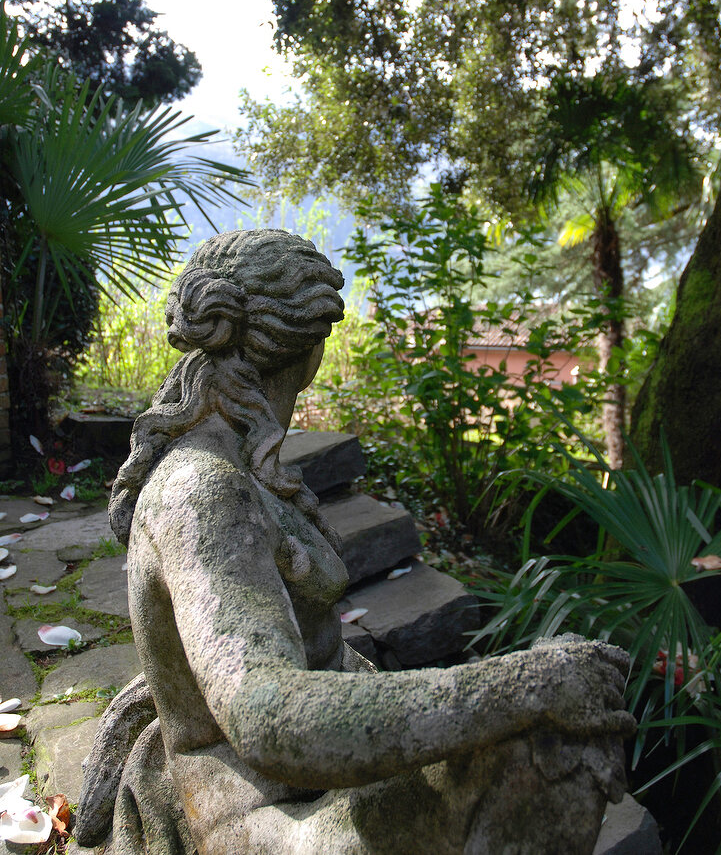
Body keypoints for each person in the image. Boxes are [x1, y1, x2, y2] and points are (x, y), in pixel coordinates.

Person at [77, 229, 634, 855]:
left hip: (312, 773)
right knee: (548, 743)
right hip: (256, 812)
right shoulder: (204, 492)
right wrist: (517, 686)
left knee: (549, 714)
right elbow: (267, 717)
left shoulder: (242, 472)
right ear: (311, 354)